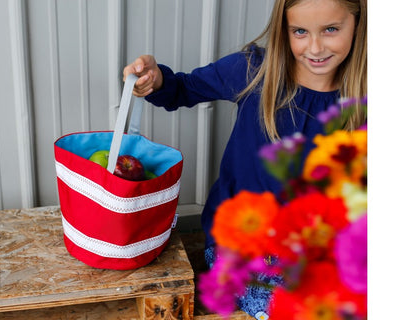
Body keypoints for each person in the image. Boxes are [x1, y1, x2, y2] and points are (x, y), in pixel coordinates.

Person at [123, 0, 367, 318]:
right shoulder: (253, 70)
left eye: (331, 29)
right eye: (300, 32)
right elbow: (182, 88)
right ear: (284, 29)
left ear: (357, 25)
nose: (316, 47)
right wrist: (155, 80)